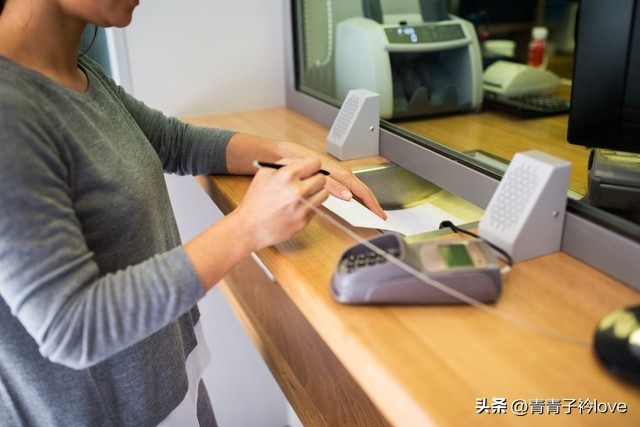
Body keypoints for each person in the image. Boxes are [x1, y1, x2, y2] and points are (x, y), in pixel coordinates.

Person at [0, 0, 386, 425]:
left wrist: (288, 154)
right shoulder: (10, 113)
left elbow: (171, 141)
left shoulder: (74, 68)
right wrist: (247, 227)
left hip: (162, 387)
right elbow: (73, 327)